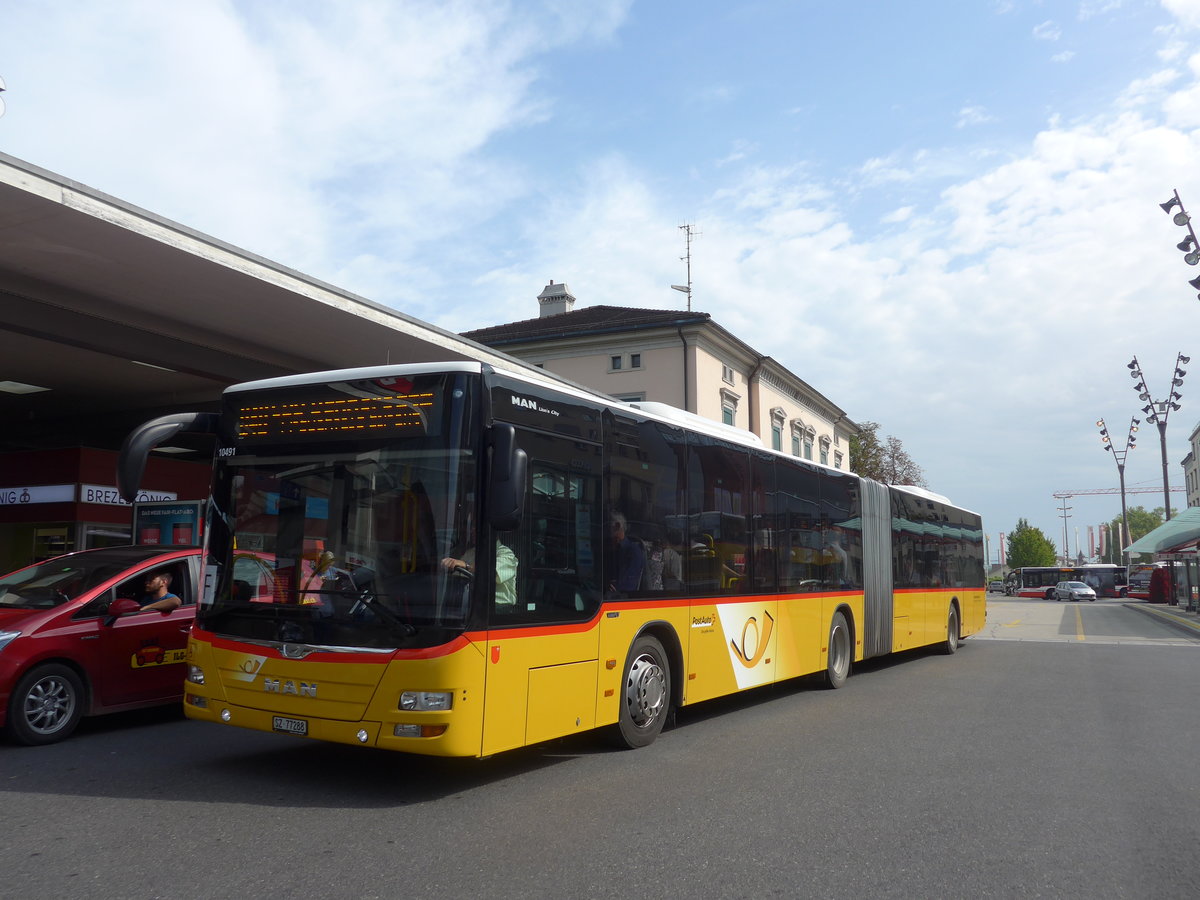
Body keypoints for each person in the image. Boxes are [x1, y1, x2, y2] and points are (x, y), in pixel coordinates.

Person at [441, 540, 518, 607]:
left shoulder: (505, 553)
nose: (473, 531)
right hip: (469, 605)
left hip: (498, 609)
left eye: (476, 528)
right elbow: (457, 578)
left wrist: (466, 566)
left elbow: (492, 572)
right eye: (472, 527)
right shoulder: (470, 553)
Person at [607, 511, 645, 593]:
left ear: (617, 526)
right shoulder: (610, 550)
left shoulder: (633, 551)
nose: (606, 531)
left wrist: (613, 588)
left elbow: (629, 583)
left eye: (608, 526)